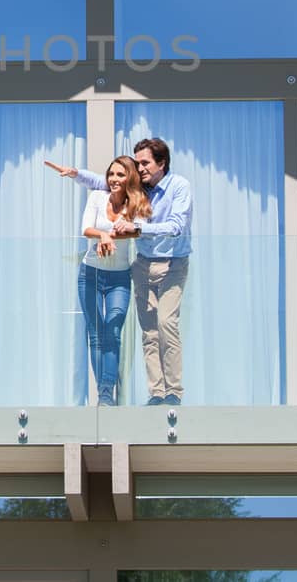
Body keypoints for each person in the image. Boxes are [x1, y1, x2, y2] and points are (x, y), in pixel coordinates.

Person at [47, 137, 193, 405]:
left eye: (145, 163)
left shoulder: (179, 187)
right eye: (137, 163)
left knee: (165, 323)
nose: (140, 168)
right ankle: (157, 394)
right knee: (148, 332)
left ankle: (173, 393)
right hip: (142, 265)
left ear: (161, 163)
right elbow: (105, 183)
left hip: (172, 263)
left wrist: (137, 230)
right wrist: (77, 174)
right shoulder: (140, 187)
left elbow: (176, 227)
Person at [74, 155, 151, 406]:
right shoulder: (97, 197)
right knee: (96, 334)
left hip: (119, 277)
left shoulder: (137, 203)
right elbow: (86, 229)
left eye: (120, 175)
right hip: (90, 274)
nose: (114, 179)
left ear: (129, 177)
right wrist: (105, 235)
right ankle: (105, 393)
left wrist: (109, 236)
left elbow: (138, 230)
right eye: (111, 174)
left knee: (113, 331)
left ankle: (109, 389)